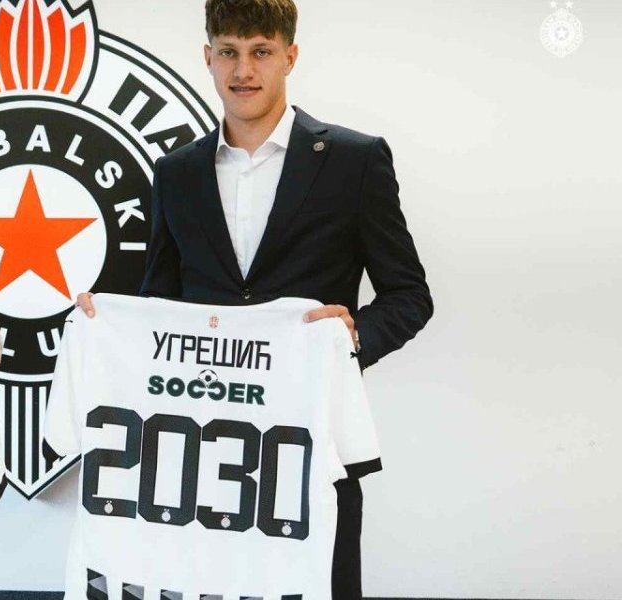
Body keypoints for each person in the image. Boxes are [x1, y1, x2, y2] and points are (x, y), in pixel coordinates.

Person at [76, 0, 433, 598]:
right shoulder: (176, 172)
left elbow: (409, 295)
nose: (243, 71)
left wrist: (351, 339)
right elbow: (159, 300)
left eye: (260, 52)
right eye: (229, 53)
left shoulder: (355, 160)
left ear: (290, 56)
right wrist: (114, 327)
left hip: (311, 439)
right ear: (207, 56)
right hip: (195, 451)